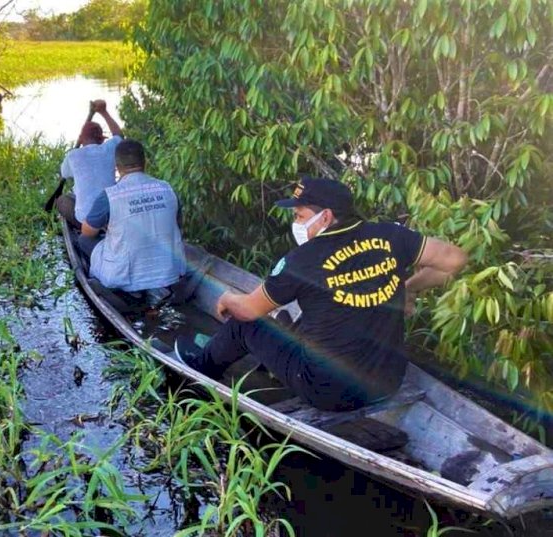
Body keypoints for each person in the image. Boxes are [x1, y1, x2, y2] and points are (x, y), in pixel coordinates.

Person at [175, 177, 468, 411]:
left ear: (325, 216)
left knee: (243, 325)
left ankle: (201, 367)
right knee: (310, 317)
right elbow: (454, 260)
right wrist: (408, 288)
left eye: (300, 215)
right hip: (388, 382)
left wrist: (227, 299)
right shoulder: (392, 236)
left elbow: (248, 310)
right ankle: (266, 365)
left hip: (327, 393)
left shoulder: (302, 260)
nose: (296, 223)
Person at [79, 139, 186, 293]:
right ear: (145, 162)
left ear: (117, 167)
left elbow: (87, 231)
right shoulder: (168, 189)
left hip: (123, 276)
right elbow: (178, 225)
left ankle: (122, 291)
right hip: (170, 273)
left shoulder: (109, 196)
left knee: (83, 240)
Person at [54, 99, 123, 228]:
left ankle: (82, 230)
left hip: (85, 222)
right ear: (101, 140)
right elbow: (119, 135)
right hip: (112, 214)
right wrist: (104, 112)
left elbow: (64, 173)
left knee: (63, 200)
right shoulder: (109, 149)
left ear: (81, 139)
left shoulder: (73, 155)